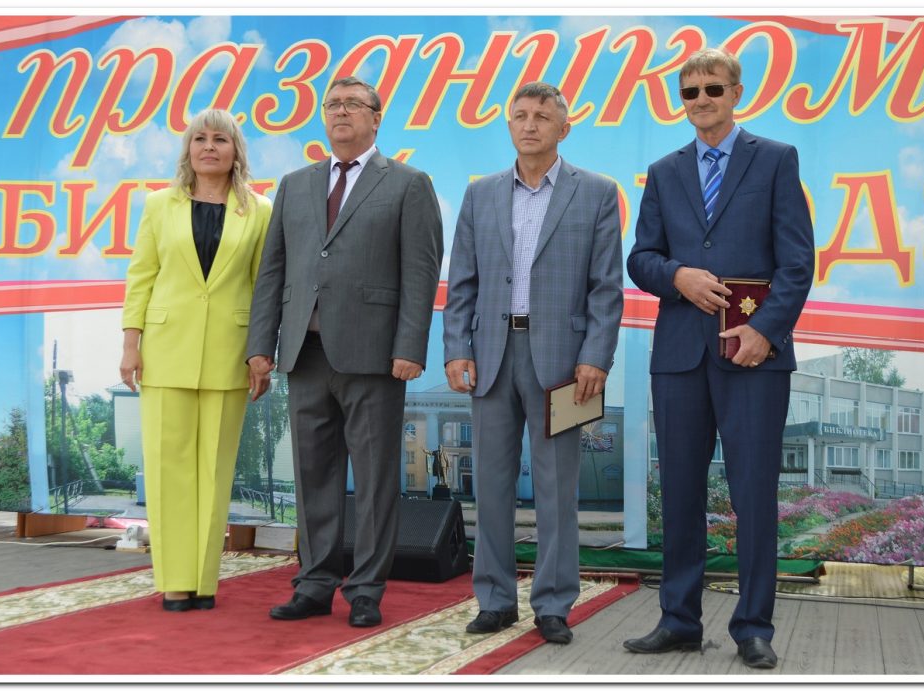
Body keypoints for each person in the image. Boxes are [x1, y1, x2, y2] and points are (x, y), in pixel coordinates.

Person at [624, 48, 814, 668]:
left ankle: (753, 627)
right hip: (680, 356)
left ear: (737, 93)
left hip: (754, 356)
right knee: (680, 492)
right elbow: (641, 258)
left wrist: (766, 331)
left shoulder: (776, 159)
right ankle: (679, 620)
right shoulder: (664, 171)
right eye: (690, 91)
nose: (701, 99)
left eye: (713, 88)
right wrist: (676, 276)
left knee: (753, 494)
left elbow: (797, 262)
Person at [246, 76, 443, 628]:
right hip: (304, 353)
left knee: (375, 479)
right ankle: (313, 584)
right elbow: (272, 270)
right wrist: (260, 344)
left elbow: (421, 272)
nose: (340, 112)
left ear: (376, 118)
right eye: (332, 104)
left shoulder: (408, 183)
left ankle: (366, 590)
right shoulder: (295, 184)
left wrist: (410, 345)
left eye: (353, 104)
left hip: (375, 356)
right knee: (313, 475)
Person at [443, 81, 624, 645]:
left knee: (557, 489)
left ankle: (553, 604)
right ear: (509, 125)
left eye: (542, 117)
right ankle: (495, 600)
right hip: (491, 355)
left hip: (565, 364)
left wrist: (595, 357)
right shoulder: (480, 195)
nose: (529, 125)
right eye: (519, 115)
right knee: (491, 486)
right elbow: (462, 282)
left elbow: (606, 287)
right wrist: (457, 348)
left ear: (563, 128)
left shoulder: (596, 193)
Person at [120, 109, 272, 612]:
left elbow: (264, 286)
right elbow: (141, 276)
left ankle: (204, 581)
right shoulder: (158, 204)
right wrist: (131, 343)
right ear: (188, 149)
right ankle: (174, 581)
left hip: (231, 354)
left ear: (235, 151)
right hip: (165, 351)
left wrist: (261, 353)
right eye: (200, 138)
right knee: (169, 470)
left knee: (215, 470)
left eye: (220, 139)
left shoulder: (260, 211)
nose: (209, 147)